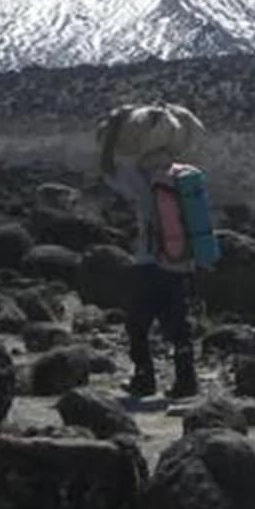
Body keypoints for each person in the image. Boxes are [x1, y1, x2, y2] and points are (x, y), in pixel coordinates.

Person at [97, 102, 210, 400]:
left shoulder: (142, 179)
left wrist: (113, 132)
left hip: (149, 261)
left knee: (138, 323)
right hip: (181, 261)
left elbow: (107, 169)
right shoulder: (185, 175)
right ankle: (187, 381)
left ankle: (144, 378)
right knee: (178, 325)